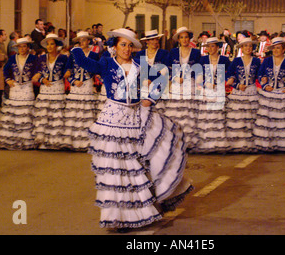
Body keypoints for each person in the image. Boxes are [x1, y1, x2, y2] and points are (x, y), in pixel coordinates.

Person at [70, 27, 193, 231]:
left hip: (136, 117)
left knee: (137, 166)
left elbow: (162, 78)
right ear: (114, 47)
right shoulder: (107, 63)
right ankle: (117, 217)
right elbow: (84, 63)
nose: (126, 49)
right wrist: (76, 46)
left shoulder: (140, 64)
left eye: (129, 45)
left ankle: (142, 209)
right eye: (122, 45)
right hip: (113, 119)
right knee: (115, 169)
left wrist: (150, 99)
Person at [154, 26, 201, 149]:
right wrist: (174, 77)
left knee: (188, 111)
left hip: (190, 83)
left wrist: (187, 77)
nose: (184, 40)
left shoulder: (196, 52)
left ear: (189, 39)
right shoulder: (173, 52)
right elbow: (167, 67)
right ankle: (175, 139)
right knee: (175, 112)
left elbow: (198, 68)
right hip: (176, 84)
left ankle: (189, 140)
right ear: (178, 40)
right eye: (182, 37)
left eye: (186, 37)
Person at [0, 37, 38, 150]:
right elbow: (6, 70)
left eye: (24, 46)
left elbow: (39, 69)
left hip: (27, 87)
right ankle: (12, 137)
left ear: (28, 47)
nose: (22, 49)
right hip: (15, 88)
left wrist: (37, 75)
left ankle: (26, 139)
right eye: (20, 47)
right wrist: (8, 80)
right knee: (14, 112)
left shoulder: (33, 58)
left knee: (26, 112)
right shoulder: (12, 58)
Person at [190, 37, 230, 153]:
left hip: (219, 90)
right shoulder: (202, 60)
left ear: (218, 47)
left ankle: (218, 143)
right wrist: (203, 83)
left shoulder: (224, 60)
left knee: (217, 116)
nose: (210, 48)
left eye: (213, 46)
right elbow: (196, 73)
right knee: (205, 117)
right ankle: (205, 143)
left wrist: (222, 83)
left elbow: (230, 74)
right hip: (206, 91)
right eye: (208, 46)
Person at [62, 31, 100, 152]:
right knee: (74, 113)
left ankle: (86, 142)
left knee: (86, 112)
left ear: (88, 41)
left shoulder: (93, 55)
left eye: (84, 40)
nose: (82, 42)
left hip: (87, 84)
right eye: (80, 40)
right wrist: (73, 80)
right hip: (76, 86)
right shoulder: (73, 54)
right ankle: (71, 141)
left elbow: (97, 70)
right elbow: (67, 72)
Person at [32, 33, 70, 150]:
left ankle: (56, 141)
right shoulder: (41, 58)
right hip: (45, 90)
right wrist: (42, 79)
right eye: (47, 44)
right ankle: (44, 141)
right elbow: (35, 75)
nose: (49, 46)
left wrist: (68, 74)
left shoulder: (63, 58)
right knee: (44, 115)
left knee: (56, 116)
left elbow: (68, 72)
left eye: (51, 44)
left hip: (57, 89)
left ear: (56, 46)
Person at [225, 37, 261, 152]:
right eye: (245, 46)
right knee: (238, 117)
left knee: (251, 117)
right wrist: (236, 85)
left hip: (252, 91)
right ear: (241, 47)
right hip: (239, 92)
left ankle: (252, 142)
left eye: (250, 46)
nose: (248, 48)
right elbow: (228, 75)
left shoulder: (256, 61)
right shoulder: (236, 61)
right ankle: (238, 143)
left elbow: (260, 75)